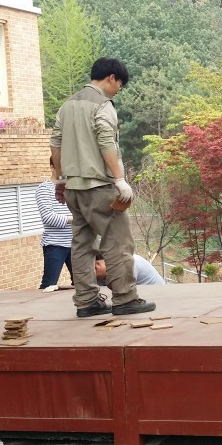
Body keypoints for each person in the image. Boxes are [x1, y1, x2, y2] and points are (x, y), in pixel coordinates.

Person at [50, 57, 156, 317]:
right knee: (117, 243)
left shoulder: (67, 105)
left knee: (81, 245)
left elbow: (55, 144)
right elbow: (107, 142)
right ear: (111, 77)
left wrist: (60, 180)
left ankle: (86, 301)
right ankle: (125, 298)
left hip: (73, 189)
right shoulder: (102, 105)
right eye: (120, 84)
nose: (119, 89)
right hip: (99, 188)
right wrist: (119, 179)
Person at [35, 157, 73, 288]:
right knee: (49, 284)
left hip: (76, 243)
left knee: (82, 283)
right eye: (60, 166)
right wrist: (74, 219)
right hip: (55, 244)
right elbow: (48, 217)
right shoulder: (44, 189)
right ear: (52, 167)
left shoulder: (72, 188)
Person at [95, 253, 165, 286]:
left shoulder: (127, 263)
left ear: (98, 263)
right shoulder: (102, 273)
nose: (91, 274)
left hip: (158, 293)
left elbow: (123, 294)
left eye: (95, 269)